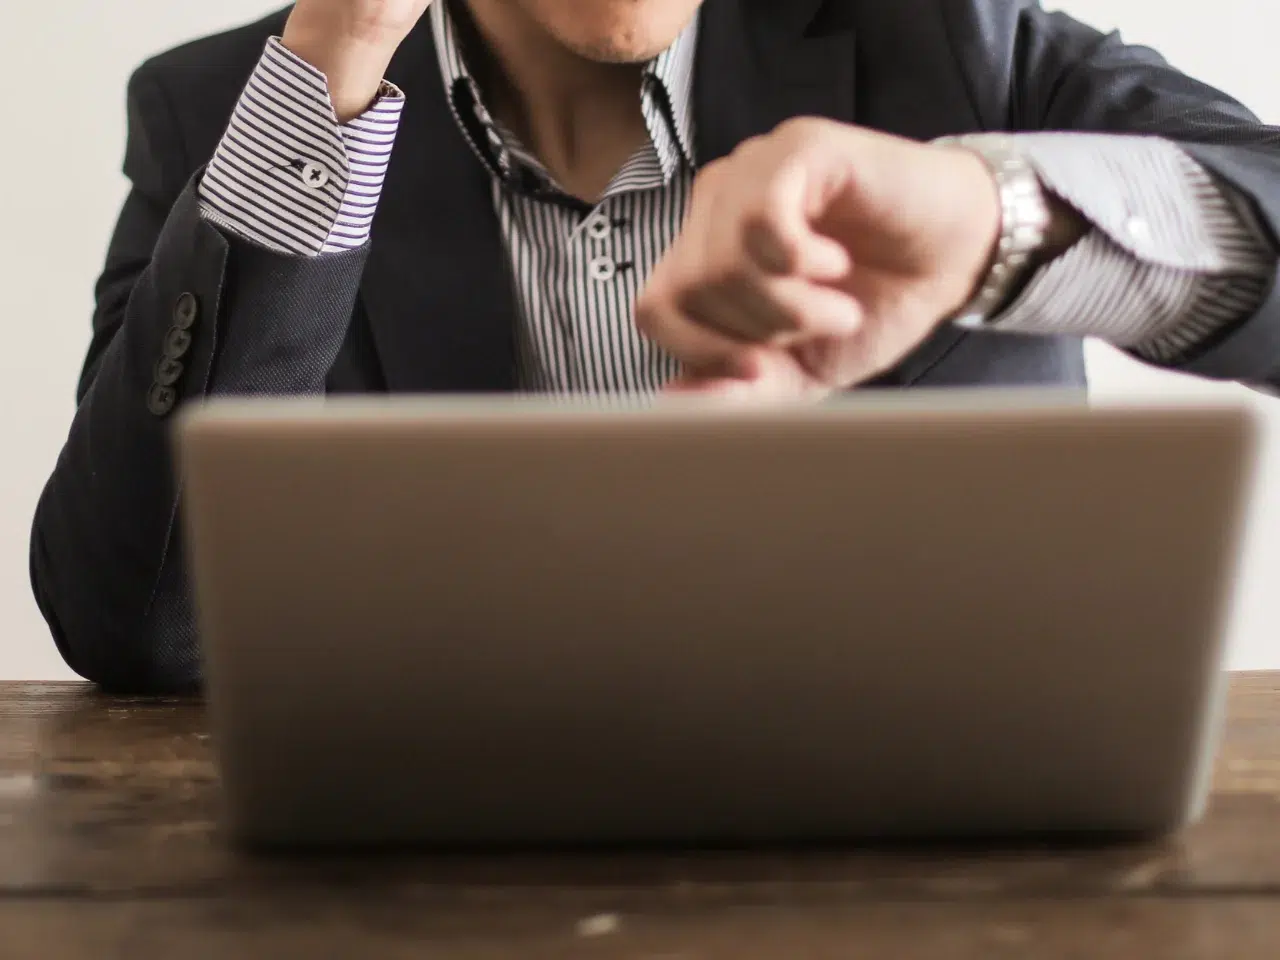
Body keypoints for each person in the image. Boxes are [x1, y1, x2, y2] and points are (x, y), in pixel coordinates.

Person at [31, 0, 1280, 692]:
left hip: (928, 870)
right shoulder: (236, 103)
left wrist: (990, 221)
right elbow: (133, 626)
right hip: (431, 893)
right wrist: (336, 65)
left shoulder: (953, 41)